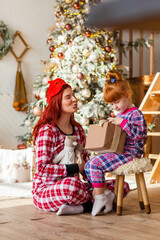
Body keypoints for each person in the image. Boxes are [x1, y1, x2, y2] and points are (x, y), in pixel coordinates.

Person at [32, 77, 130, 216]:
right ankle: (88, 205)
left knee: (122, 186)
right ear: (56, 102)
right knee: (72, 186)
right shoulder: (47, 131)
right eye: (68, 97)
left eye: (74, 95)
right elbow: (42, 169)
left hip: (77, 188)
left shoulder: (78, 130)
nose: (74, 99)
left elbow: (85, 165)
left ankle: (85, 204)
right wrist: (74, 168)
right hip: (47, 190)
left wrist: (99, 187)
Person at [85, 70, 147, 216]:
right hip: (120, 152)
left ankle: (100, 197)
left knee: (95, 164)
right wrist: (108, 124)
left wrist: (123, 123)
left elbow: (140, 136)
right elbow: (118, 133)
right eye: (112, 104)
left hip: (131, 154)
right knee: (88, 165)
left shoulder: (135, 113)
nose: (115, 107)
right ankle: (106, 194)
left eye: (117, 102)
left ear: (127, 95)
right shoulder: (122, 114)